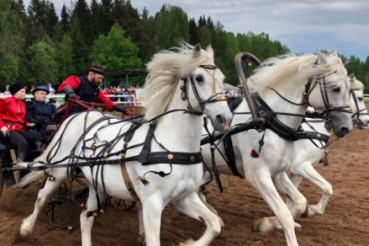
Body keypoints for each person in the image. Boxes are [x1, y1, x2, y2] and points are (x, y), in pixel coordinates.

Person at [57, 63, 126, 120]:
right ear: (91, 74)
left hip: (87, 114)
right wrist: (71, 93)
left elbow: (107, 103)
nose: (101, 81)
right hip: (70, 112)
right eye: (99, 78)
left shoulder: (97, 90)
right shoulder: (79, 80)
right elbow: (66, 85)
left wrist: (121, 109)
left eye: (102, 79)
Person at [0, 82, 42, 163]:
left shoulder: (22, 104)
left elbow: (21, 119)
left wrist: (28, 124)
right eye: (22, 91)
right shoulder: (6, 101)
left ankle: (37, 157)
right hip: (9, 129)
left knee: (37, 135)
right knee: (22, 143)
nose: (24, 94)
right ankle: (21, 164)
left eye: (24, 92)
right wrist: (2, 126)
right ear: (15, 92)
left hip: (20, 129)